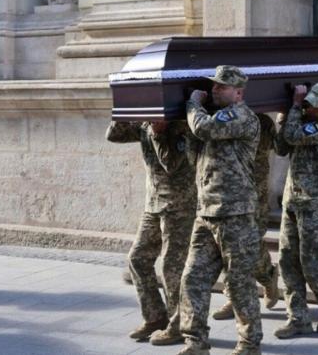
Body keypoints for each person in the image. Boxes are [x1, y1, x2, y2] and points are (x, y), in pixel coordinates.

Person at [177, 65, 262, 355]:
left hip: (235, 213)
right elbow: (196, 148)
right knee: (192, 278)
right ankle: (195, 341)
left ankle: (249, 343)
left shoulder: (241, 116)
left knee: (239, 283)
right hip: (207, 212)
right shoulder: (215, 116)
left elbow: (204, 128)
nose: (214, 89)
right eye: (213, 85)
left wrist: (192, 104)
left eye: (221, 86)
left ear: (238, 92)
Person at [105, 120, 197, 346]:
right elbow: (114, 135)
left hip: (179, 205)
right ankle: (155, 317)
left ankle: (178, 326)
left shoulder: (182, 126)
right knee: (137, 259)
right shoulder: (144, 123)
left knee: (172, 268)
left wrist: (158, 132)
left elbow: (170, 163)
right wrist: (124, 109)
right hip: (153, 204)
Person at [272, 82, 318, 338]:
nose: (309, 108)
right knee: (287, 261)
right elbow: (281, 147)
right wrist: (284, 116)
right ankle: (298, 318)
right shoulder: (301, 120)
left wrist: (293, 106)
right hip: (293, 200)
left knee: (312, 263)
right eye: (307, 104)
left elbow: (294, 136)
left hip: (315, 203)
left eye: (314, 106)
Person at [211, 114, 281, 320]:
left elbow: (277, 148)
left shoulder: (262, 121)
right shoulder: (221, 117)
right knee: (228, 244)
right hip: (226, 191)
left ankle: (268, 276)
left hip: (254, 192)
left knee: (251, 243)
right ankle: (233, 297)